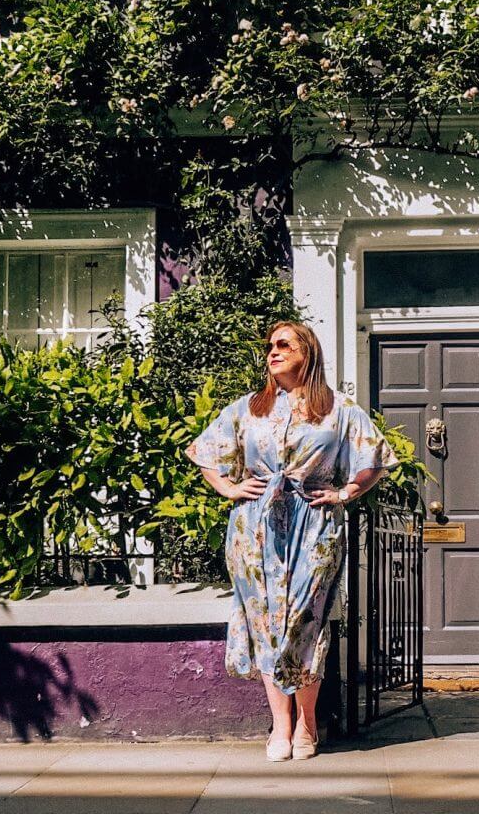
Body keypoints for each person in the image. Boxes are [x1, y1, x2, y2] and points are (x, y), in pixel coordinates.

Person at [185, 320, 398, 761]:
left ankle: (308, 720)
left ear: (308, 352)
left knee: (306, 618)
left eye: (284, 344)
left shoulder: (340, 410)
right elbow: (206, 453)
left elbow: (374, 458)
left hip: (315, 523)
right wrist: (227, 488)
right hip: (255, 526)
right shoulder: (247, 408)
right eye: (269, 346)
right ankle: (282, 726)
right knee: (264, 620)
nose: (273, 351)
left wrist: (345, 492)